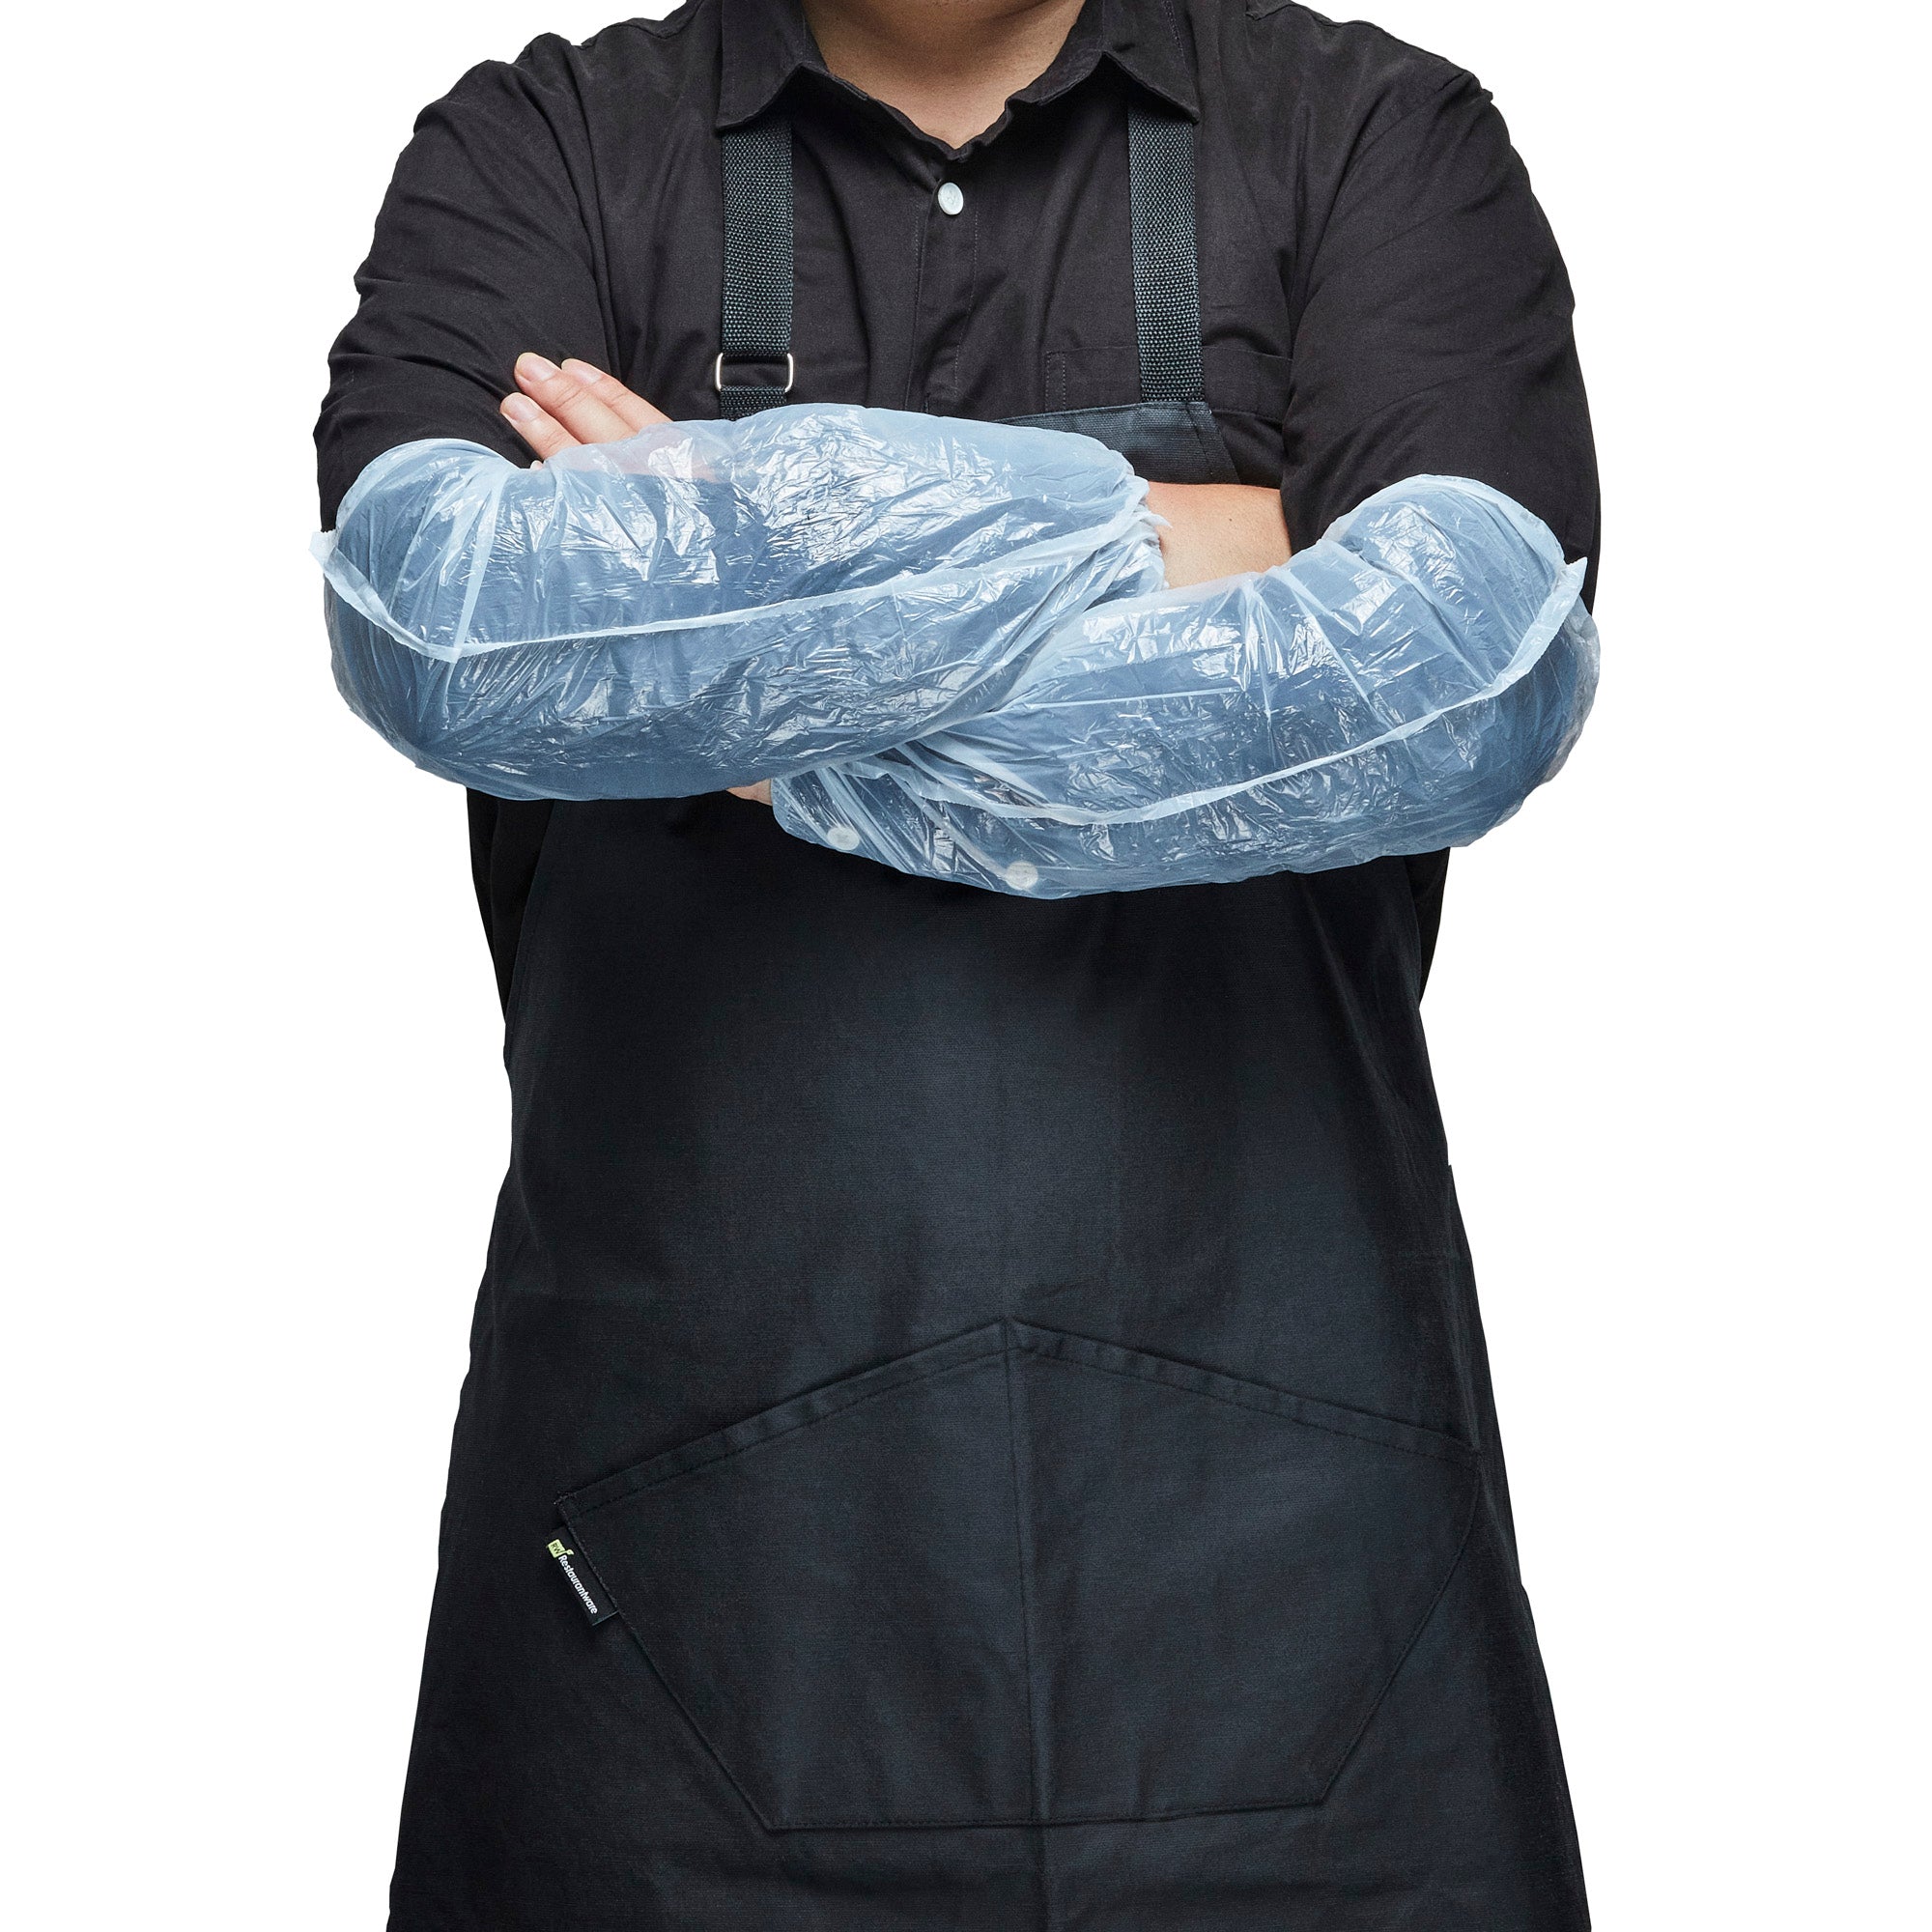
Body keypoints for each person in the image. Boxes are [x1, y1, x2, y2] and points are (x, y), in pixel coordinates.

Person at [314, 0, 1599, 1924]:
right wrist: (1229, 542)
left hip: (1305, 1620)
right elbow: (448, 624)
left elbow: (1462, 665)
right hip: (662, 1620)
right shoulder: (548, 146)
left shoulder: (1371, 135)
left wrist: (738, 623)